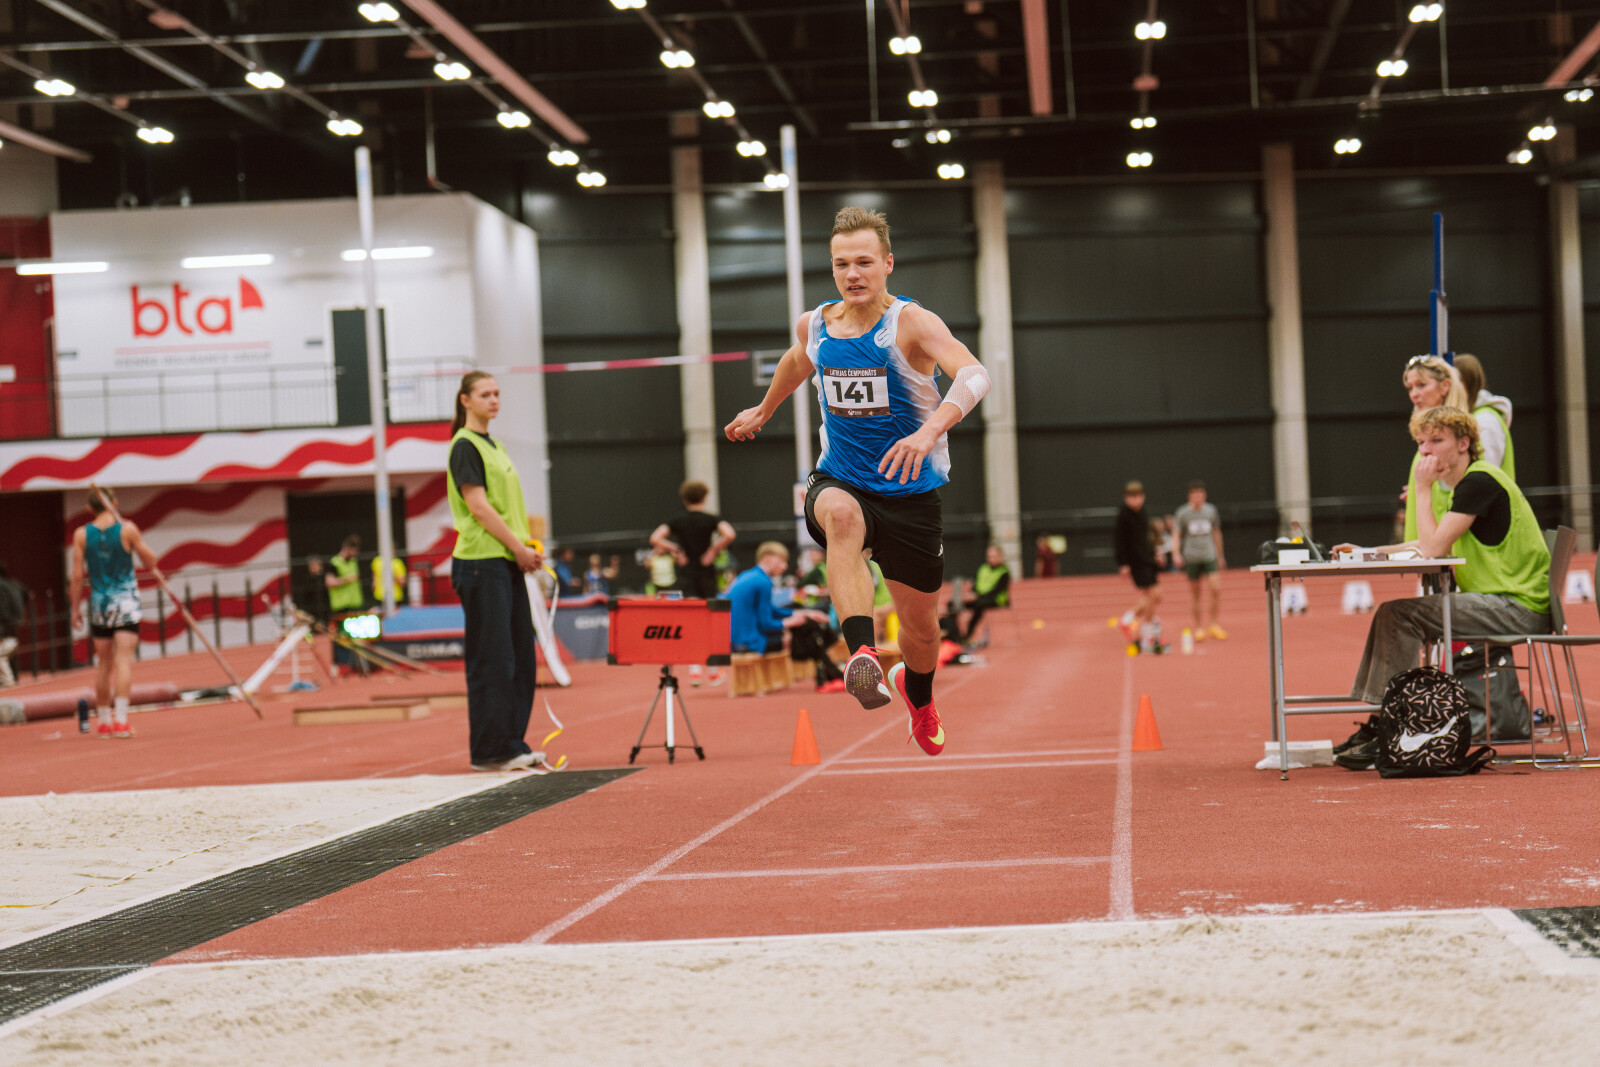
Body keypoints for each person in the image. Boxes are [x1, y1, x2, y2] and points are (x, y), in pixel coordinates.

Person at [725, 205, 991, 757]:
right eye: (841, 264)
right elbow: (797, 361)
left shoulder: (911, 323)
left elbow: (974, 373)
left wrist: (929, 432)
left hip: (911, 494)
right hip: (841, 478)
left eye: (864, 262)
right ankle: (862, 654)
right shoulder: (816, 324)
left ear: (887, 264)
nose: (852, 274)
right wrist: (766, 408)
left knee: (922, 630)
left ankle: (919, 698)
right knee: (841, 517)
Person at [1336, 406, 1550, 716]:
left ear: (1463, 443)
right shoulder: (1467, 485)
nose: (1425, 450)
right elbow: (1434, 540)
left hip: (1517, 608)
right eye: (1421, 443)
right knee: (1391, 613)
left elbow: (1433, 549)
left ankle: (1390, 719)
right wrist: (1369, 551)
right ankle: (1383, 716)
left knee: (1398, 615)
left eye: (1436, 440)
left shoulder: (1479, 483)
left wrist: (1422, 488)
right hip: (1507, 602)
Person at [447, 370, 548, 773]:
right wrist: (518, 548)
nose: (494, 400)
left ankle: (511, 743)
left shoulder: (496, 446)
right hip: (481, 562)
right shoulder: (464, 446)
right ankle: (490, 750)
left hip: (506, 560)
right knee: (494, 660)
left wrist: (526, 546)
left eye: (497, 393)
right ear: (465, 401)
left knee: (521, 657)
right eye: (485, 394)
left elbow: (506, 508)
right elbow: (479, 507)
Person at [68, 487, 158, 738]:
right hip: (126, 603)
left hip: (100, 604)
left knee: (103, 664)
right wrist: (136, 543)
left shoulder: (81, 534)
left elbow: (77, 576)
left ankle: (104, 722)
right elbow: (151, 561)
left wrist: (75, 609)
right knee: (123, 661)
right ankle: (120, 720)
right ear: (114, 503)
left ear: (89, 508)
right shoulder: (127, 529)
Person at [726, 542, 842, 690]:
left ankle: (829, 674)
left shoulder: (749, 575)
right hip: (750, 642)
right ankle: (831, 673)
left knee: (804, 623)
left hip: (738, 639)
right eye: (781, 561)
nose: (785, 566)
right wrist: (791, 622)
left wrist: (803, 613)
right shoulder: (763, 582)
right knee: (808, 630)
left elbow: (771, 610)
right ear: (767, 558)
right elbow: (766, 623)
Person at [1400, 354, 1469, 541]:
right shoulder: (1426, 434)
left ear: (1445, 386)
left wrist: (1425, 486)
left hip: (1442, 545)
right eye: (1410, 388)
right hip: (1422, 542)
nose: (1414, 394)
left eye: (1421, 385)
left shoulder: (1462, 435)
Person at [650, 481, 736, 600]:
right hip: (705, 568)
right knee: (708, 604)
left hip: (686, 569)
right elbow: (730, 534)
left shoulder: (677, 519)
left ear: (685, 500)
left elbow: (655, 538)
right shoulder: (711, 519)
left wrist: (676, 550)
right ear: (704, 499)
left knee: (689, 605)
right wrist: (712, 551)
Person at [1172, 480, 1227, 641]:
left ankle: (1213, 625)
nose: (1197, 497)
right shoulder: (1182, 513)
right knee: (1195, 594)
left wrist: (1220, 555)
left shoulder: (1211, 511)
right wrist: (1176, 553)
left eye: (1200, 493)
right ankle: (1198, 628)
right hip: (1192, 556)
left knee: (1215, 589)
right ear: (1189, 496)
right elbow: (1176, 534)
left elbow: (1216, 532)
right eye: (1194, 494)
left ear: (1204, 495)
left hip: (1209, 554)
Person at [1453, 353, 1516, 480]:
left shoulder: (1484, 420)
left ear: (1465, 385)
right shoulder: (1473, 417)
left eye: (1452, 384)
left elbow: (1486, 475)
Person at [1113, 481, 1161, 643]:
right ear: (1126, 498)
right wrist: (1123, 563)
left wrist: (1155, 553)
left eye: (1139, 496)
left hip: (1147, 559)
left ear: (1143, 497)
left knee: (1157, 596)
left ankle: (1126, 620)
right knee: (1152, 595)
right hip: (1136, 562)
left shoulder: (1143, 513)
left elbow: (1146, 538)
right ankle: (1147, 631)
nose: (1136, 500)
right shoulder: (1123, 517)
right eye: (1132, 497)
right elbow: (1119, 541)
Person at [325, 535, 365, 672]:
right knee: (339, 637)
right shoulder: (334, 563)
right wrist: (347, 579)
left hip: (354, 605)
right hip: (340, 607)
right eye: (353, 551)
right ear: (347, 549)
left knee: (355, 636)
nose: (354, 554)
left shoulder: (353, 562)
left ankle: (357, 664)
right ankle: (340, 664)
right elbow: (330, 582)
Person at [962, 544, 1011, 643]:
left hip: (996, 600)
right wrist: (971, 594)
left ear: (1000, 557)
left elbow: (997, 591)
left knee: (979, 605)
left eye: (994, 557)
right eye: (989, 556)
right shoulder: (983, 568)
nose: (991, 559)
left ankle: (967, 636)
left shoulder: (1004, 572)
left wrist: (977, 596)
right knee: (954, 604)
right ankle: (954, 636)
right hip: (979, 598)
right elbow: (976, 585)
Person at [0, 562, 28, 688]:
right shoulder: (14, 583)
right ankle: (14, 677)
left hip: (5, 622)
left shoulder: (1, 585)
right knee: (10, 651)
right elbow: (26, 592)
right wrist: (20, 612)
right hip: (15, 620)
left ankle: (8, 680)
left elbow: (2, 607)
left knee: (3, 652)